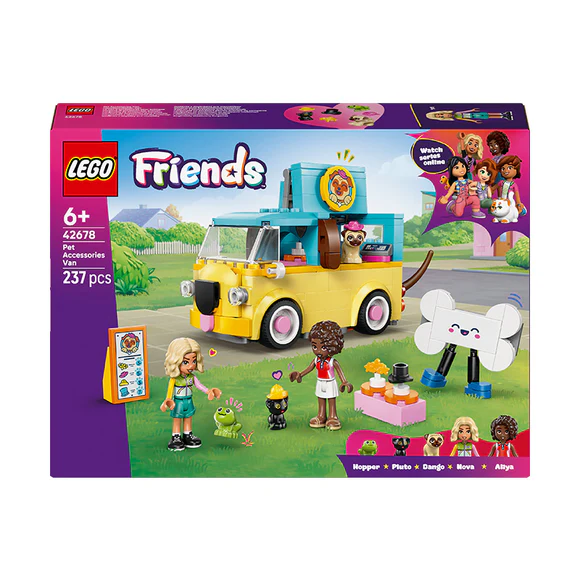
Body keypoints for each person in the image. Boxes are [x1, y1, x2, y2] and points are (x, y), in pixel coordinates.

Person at [160, 337, 221, 451]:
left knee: (188, 417)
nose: (191, 366)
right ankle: (176, 437)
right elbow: (170, 391)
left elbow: (199, 385)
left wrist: (209, 391)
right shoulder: (175, 379)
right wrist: (168, 400)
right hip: (178, 401)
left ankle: (187, 434)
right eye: (185, 362)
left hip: (188, 400)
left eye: (194, 361)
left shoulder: (191, 377)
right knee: (177, 418)